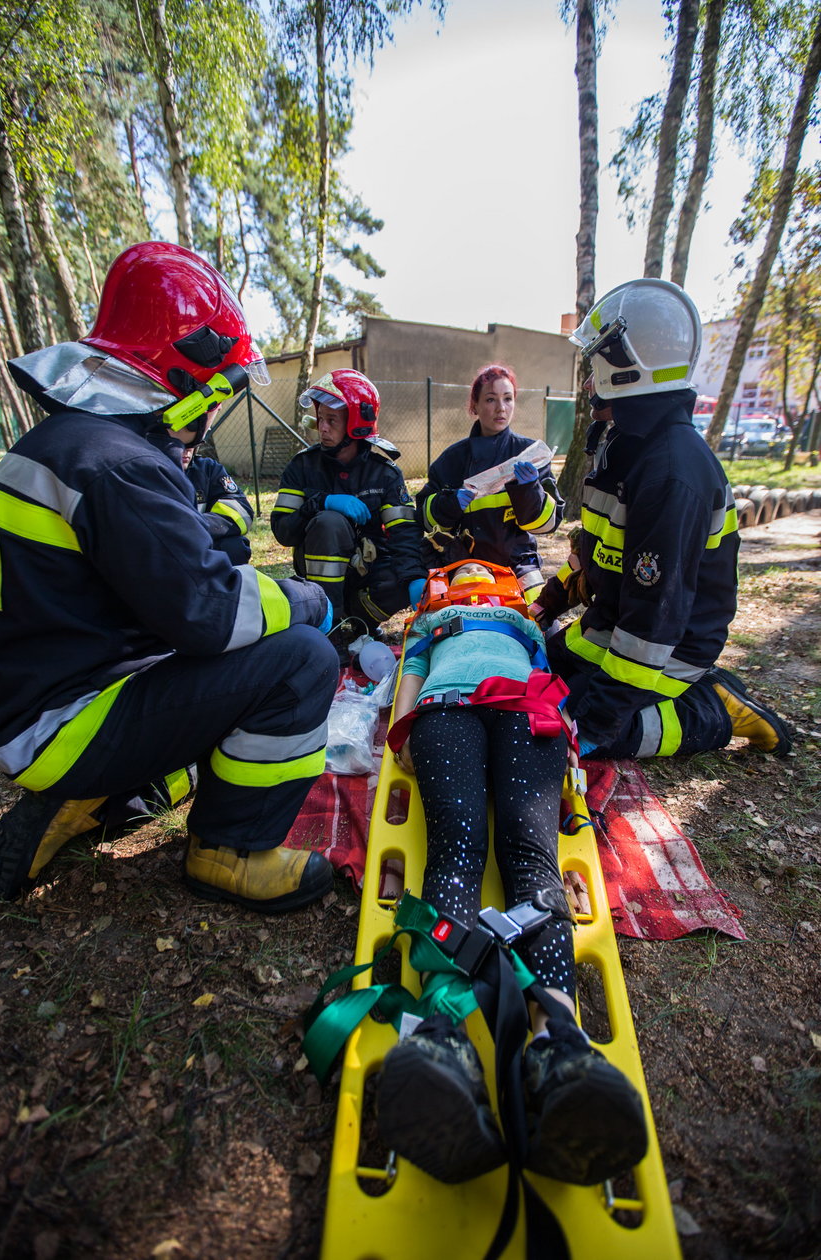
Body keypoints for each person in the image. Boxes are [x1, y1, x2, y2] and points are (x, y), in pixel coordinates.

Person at [0, 241, 339, 913]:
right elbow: (207, 614)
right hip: (63, 724)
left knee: (219, 691)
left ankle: (88, 801)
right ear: (187, 376)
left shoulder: (63, 442)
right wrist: (307, 600)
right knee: (302, 660)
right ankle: (229, 851)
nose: (211, 414)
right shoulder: (120, 463)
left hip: (25, 707)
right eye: (219, 390)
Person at [377, 560, 647, 1186]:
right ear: (449, 587)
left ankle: (558, 1046)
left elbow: (550, 669)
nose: (472, 578)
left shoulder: (523, 620)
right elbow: (411, 674)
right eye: (462, 572)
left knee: (530, 858)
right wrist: (402, 730)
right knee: (458, 848)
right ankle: (442, 1030)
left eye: (480, 572)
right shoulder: (432, 622)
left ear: (496, 585)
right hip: (448, 709)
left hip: (530, 710)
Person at [532, 278, 792, 762]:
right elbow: (596, 552)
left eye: (597, 365)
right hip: (617, 619)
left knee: (573, 728)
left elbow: (656, 621)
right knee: (542, 675)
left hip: (669, 643)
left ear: (630, 367)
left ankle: (714, 709)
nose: (589, 382)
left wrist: (594, 725)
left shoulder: (671, 474)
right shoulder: (622, 446)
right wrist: (546, 606)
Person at [270, 369, 426, 663]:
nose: (323, 428)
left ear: (356, 425)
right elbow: (283, 531)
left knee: (413, 568)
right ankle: (329, 626)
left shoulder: (384, 473)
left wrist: (416, 578)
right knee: (330, 523)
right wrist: (320, 503)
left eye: (332, 421)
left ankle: (359, 626)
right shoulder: (302, 467)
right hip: (319, 579)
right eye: (321, 419)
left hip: (368, 574)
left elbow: (404, 532)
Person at [416, 364, 564, 605]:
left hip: (519, 564)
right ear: (474, 405)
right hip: (467, 566)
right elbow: (425, 517)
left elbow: (548, 524)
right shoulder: (453, 460)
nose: (501, 408)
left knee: (542, 620)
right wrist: (449, 504)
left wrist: (529, 489)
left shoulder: (530, 455)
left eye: (508, 399)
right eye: (490, 399)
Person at [182, 444, 253, 564]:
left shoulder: (208, 468)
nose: (188, 449)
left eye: (193, 442)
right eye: (179, 442)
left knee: (235, 546)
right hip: (163, 548)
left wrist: (194, 527)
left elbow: (241, 511)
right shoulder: (146, 471)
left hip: (204, 541)